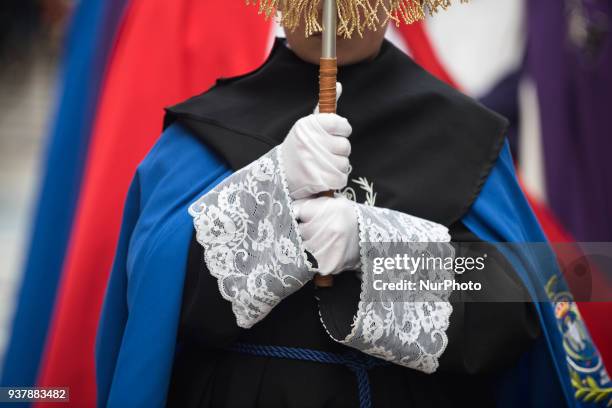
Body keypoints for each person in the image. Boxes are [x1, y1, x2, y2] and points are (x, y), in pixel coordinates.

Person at [95, 10, 605, 408]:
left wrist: (377, 248)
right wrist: (270, 196)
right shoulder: (201, 134)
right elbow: (152, 303)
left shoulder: (465, 138)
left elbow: (513, 302)